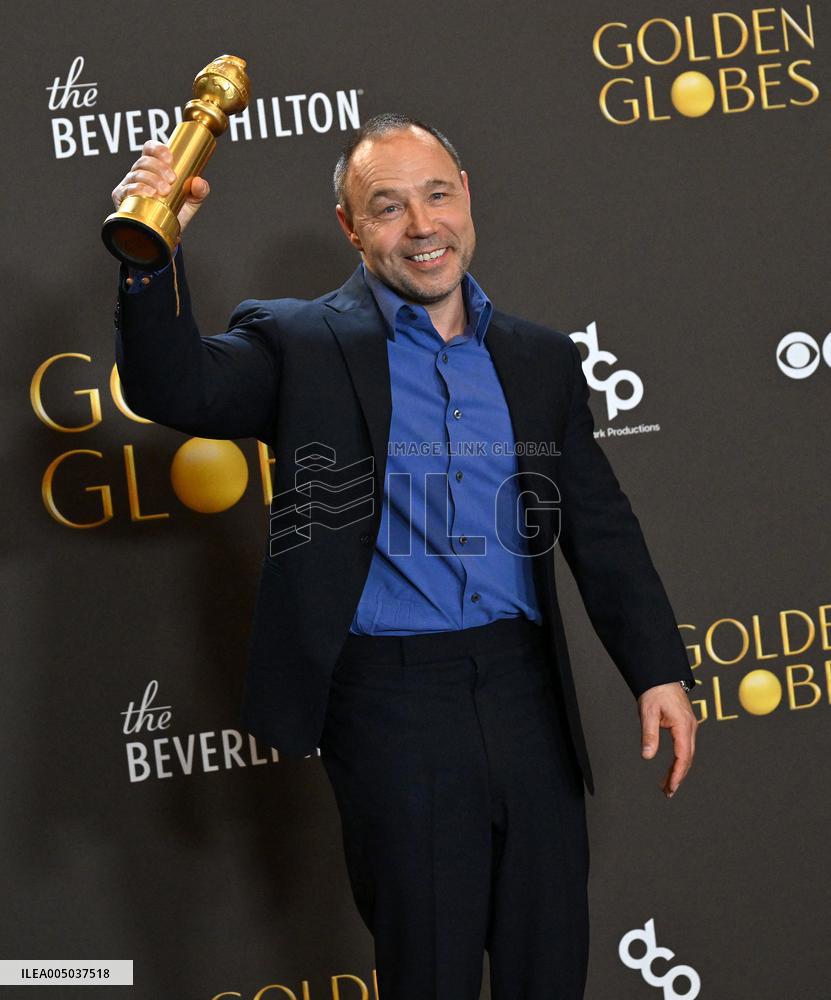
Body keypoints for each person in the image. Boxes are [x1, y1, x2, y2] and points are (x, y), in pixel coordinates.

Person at [110, 113, 698, 1000]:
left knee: (550, 964)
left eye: (437, 195)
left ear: (468, 199)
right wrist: (151, 252)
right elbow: (173, 387)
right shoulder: (300, 343)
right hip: (391, 708)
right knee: (428, 971)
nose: (422, 226)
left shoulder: (538, 358)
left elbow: (600, 525)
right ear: (350, 229)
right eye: (388, 207)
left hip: (527, 696)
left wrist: (656, 670)